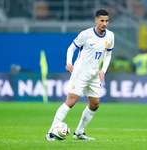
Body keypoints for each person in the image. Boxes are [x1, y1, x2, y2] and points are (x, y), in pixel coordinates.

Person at [45, 9, 114, 141]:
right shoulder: (86, 34)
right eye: (102, 21)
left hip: (94, 74)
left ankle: (79, 133)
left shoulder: (110, 36)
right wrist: (69, 62)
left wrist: (103, 70)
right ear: (96, 21)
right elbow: (71, 48)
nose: (104, 23)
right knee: (71, 102)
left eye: (106, 21)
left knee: (95, 104)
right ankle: (50, 132)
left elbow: (108, 53)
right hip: (80, 72)